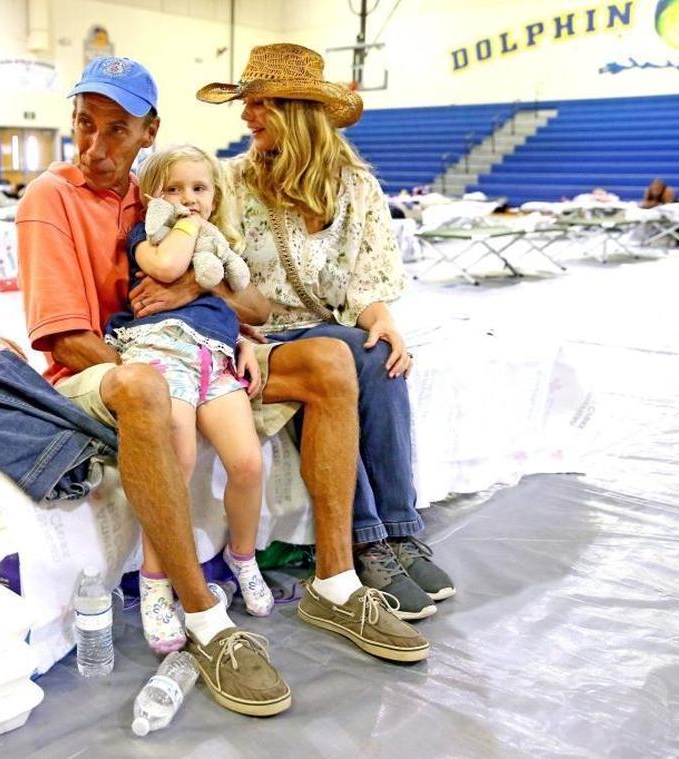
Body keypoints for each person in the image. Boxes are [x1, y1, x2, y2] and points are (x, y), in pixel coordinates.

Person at [18, 55, 427, 719]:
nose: (93, 146)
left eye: (115, 130)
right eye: (82, 125)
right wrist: (170, 355)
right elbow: (66, 338)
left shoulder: (164, 196)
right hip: (108, 365)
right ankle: (205, 619)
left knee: (331, 359)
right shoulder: (52, 196)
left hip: (192, 355)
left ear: (149, 132)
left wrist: (217, 328)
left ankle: (338, 577)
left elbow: (231, 293)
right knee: (148, 383)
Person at [197, 43, 455, 618]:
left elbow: (364, 285)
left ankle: (396, 530)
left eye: (259, 103)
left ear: (296, 110)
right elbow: (214, 272)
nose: (246, 116)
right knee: (343, 349)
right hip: (263, 338)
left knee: (374, 348)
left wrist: (383, 318)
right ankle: (369, 539)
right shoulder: (231, 181)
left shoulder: (357, 187)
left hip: (328, 331)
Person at [107, 144, 273, 654]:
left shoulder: (219, 244)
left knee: (246, 463)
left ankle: (243, 558)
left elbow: (251, 302)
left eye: (199, 189)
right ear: (153, 196)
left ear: (215, 193)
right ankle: (157, 582)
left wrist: (242, 336)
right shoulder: (149, 236)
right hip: (162, 352)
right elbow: (170, 265)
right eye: (174, 188)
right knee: (173, 463)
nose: (188, 198)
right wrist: (183, 223)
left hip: (214, 356)